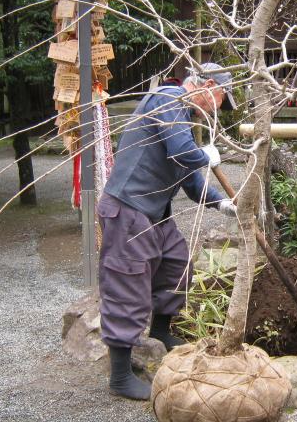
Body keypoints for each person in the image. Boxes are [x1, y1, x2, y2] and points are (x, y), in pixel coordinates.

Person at [98, 62, 237, 400]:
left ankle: (161, 333)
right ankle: (120, 375)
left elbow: (186, 174)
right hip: (128, 210)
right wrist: (204, 154)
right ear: (206, 85)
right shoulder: (166, 100)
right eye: (221, 97)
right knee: (127, 285)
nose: (220, 107)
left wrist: (219, 203)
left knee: (176, 265)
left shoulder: (181, 115)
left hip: (155, 212)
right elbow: (183, 154)